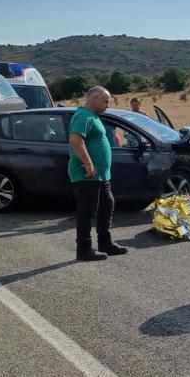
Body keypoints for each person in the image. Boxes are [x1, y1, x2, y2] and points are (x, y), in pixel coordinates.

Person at [68, 86, 128, 261]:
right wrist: (88, 163)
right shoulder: (83, 116)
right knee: (87, 211)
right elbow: (75, 140)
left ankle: (105, 243)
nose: (107, 105)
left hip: (101, 175)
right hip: (87, 175)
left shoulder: (93, 117)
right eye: (106, 101)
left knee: (106, 204)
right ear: (94, 98)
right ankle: (84, 249)